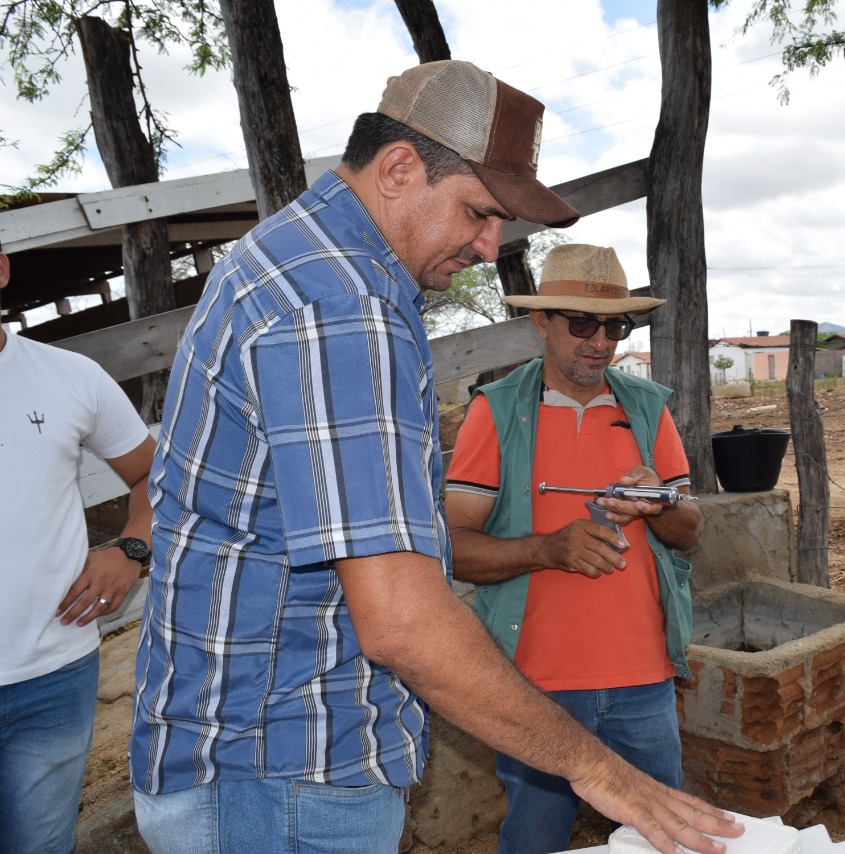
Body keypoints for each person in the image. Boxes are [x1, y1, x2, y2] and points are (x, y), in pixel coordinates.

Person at [130, 61, 739, 854]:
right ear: (398, 169)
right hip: (282, 765)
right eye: (478, 213)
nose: (488, 247)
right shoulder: (342, 307)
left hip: (268, 754)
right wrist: (599, 769)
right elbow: (403, 619)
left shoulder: (297, 264)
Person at [445, 243, 700, 853]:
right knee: (536, 839)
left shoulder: (648, 409)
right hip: (536, 684)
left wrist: (661, 504)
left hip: (644, 677)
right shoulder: (495, 412)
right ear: (542, 322)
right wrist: (549, 550)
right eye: (583, 324)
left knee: (659, 838)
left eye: (615, 327)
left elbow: (689, 531)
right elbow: (454, 550)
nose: (601, 342)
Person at [0, 248, 156, 852]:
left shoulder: (69, 376)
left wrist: (133, 548)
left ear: (2, 269)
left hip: (54, 675)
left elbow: (155, 476)